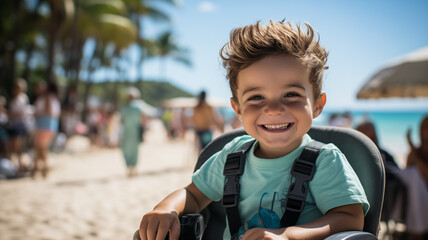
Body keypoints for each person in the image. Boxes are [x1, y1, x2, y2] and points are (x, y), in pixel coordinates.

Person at [139, 20, 369, 240]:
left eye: (291, 94)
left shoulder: (325, 161)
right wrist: (166, 208)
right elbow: (192, 195)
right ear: (237, 109)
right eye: (256, 97)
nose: (274, 109)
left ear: (317, 104)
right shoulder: (232, 157)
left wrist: (290, 235)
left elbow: (350, 218)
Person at [31, 81, 61, 178]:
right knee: (41, 148)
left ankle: (42, 169)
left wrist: (36, 114)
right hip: (50, 125)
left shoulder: (47, 97)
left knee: (41, 147)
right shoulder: (54, 98)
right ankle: (38, 169)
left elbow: (47, 112)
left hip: (44, 124)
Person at [120, 87, 145, 177]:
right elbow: (142, 119)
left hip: (127, 132)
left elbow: (122, 120)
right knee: (135, 150)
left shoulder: (124, 107)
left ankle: (129, 168)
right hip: (135, 132)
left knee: (126, 150)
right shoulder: (138, 107)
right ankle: (133, 168)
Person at [7, 78, 30, 173]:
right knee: (16, 148)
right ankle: (19, 167)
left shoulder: (22, 98)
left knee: (17, 148)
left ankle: (18, 167)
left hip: (19, 126)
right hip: (14, 126)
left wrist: (7, 113)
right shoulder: (16, 99)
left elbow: (21, 114)